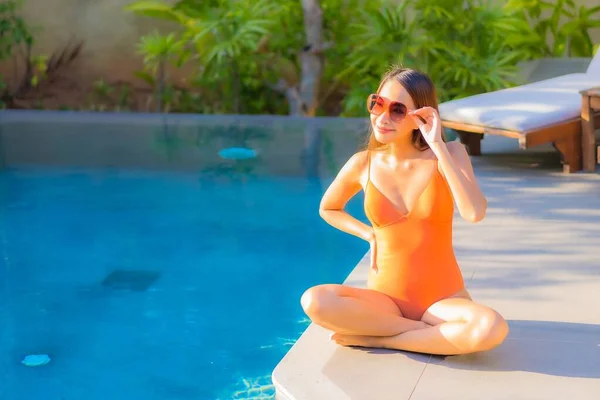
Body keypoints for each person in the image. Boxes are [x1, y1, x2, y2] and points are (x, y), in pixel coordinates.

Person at [300, 66, 509, 356]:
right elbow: (329, 208)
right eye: (378, 103)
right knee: (315, 301)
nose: (383, 117)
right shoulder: (363, 163)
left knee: (491, 328)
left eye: (398, 110)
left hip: (442, 301)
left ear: (421, 115)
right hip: (385, 300)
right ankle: (427, 336)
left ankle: (383, 338)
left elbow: (474, 212)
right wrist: (369, 234)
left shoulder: (451, 153)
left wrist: (437, 145)